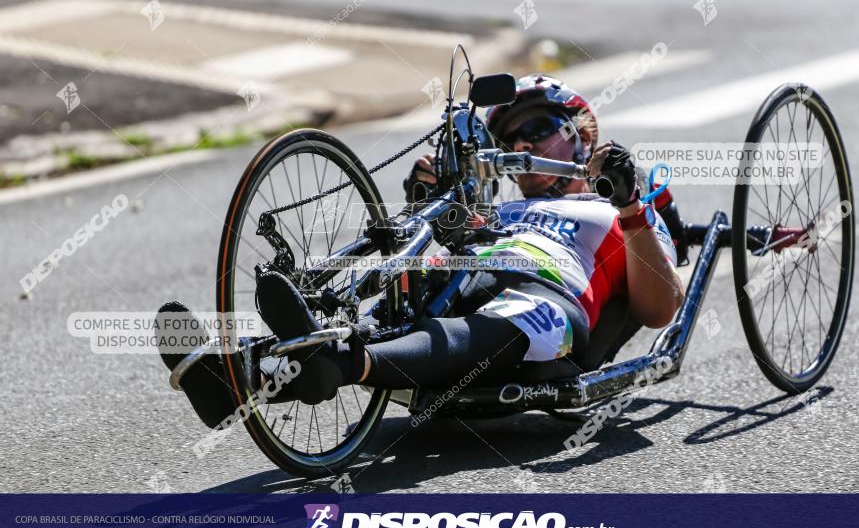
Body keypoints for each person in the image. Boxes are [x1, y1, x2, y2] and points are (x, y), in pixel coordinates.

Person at [156, 74, 685, 429]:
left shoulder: (618, 210)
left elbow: (660, 308)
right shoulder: (497, 212)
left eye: (540, 129)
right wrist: (427, 199)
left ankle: (339, 363)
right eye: (510, 138)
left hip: (550, 295)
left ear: (583, 136)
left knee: (514, 316)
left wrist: (634, 210)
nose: (522, 146)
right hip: (471, 270)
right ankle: (238, 374)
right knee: (406, 279)